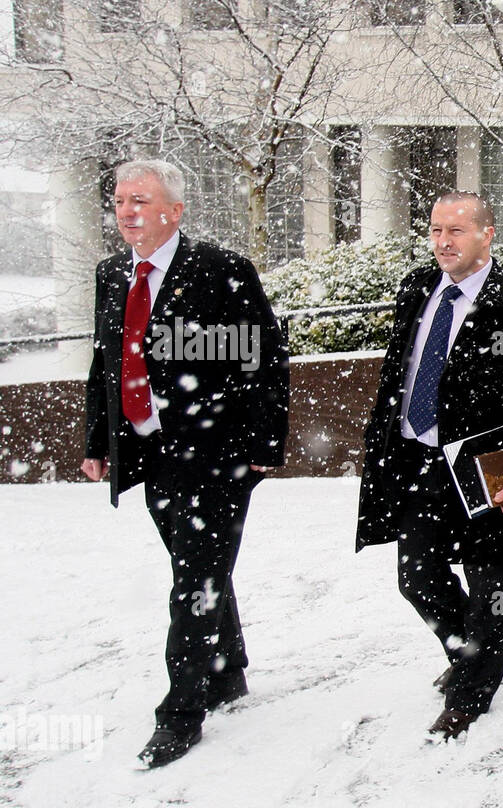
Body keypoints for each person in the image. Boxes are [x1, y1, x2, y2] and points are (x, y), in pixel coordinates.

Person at [82, 159, 289, 768]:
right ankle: (226, 670)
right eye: (120, 200)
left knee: (192, 580)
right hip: (150, 450)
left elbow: (264, 360)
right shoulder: (112, 273)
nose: (127, 211)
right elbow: (106, 360)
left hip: (215, 455)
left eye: (140, 200)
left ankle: (181, 710)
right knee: (194, 563)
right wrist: (99, 441)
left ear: (174, 210)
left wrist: (262, 448)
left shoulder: (221, 271)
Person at [356, 191, 503, 740]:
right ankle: (472, 649)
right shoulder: (417, 289)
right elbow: (400, 371)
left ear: (487, 234)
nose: (444, 241)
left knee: (491, 578)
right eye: (436, 229)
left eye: (457, 230)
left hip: (489, 463)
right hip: (417, 457)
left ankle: (473, 690)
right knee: (416, 576)